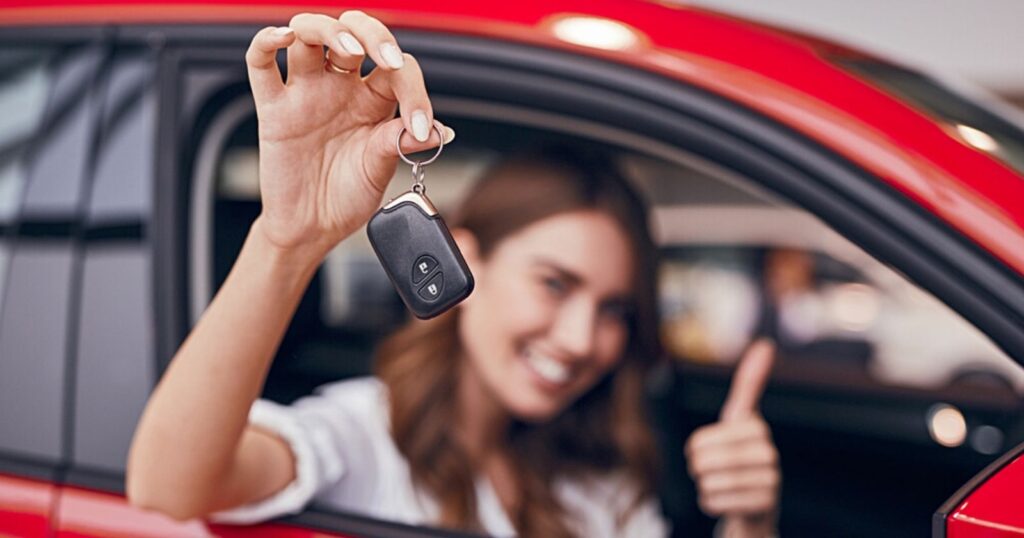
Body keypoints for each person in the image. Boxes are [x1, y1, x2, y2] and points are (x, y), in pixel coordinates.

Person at [126, 11, 781, 538]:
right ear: (467, 258)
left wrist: (749, 523)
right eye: (554, 284)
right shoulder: (364, 437)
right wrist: (286, 239)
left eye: (615, 309)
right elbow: (166, 487)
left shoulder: (596, 484)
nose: (584, 339)